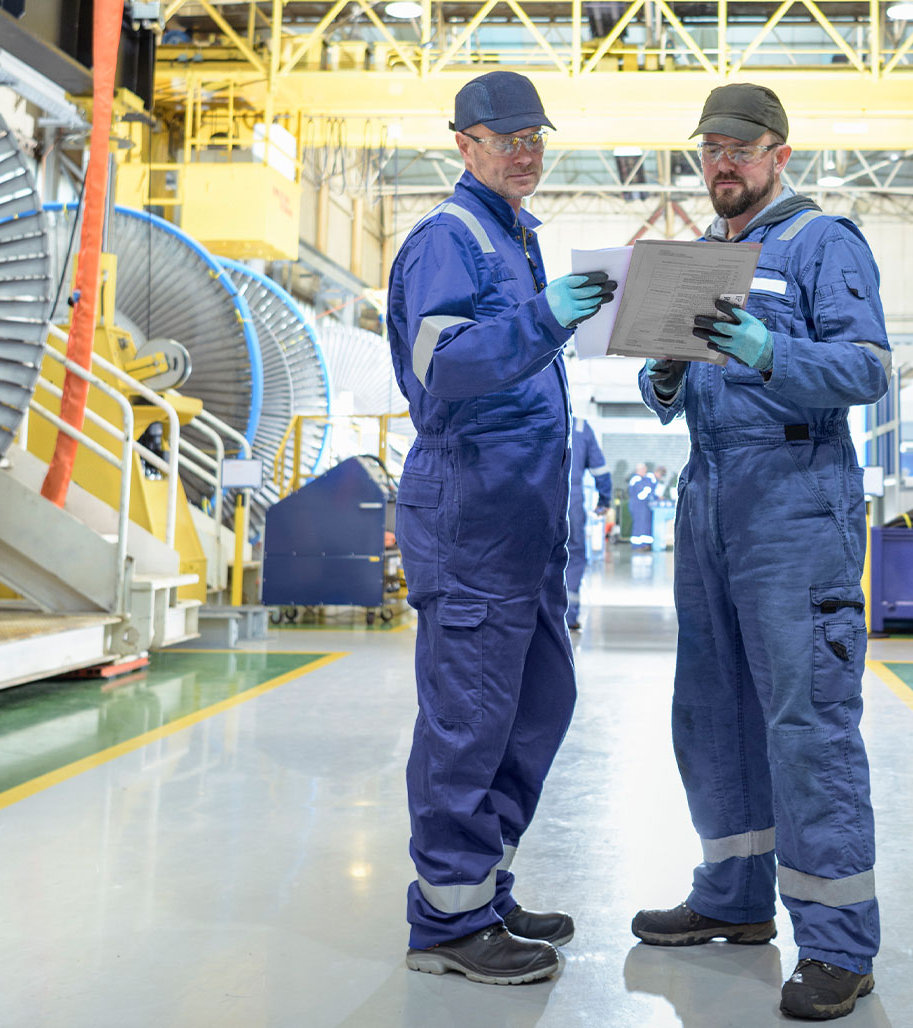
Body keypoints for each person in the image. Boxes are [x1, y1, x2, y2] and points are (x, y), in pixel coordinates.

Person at [629, 82, 891, 1021]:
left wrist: (769, 349)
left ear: (780, 154)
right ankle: (734, 901)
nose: (723, 164)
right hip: (708, 496)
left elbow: (865, 369)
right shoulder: (701, 258)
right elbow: (684, 394)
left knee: (806, 718)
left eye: (741, 148)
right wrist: (665, 374)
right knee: (713, 711)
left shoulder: (824, 243)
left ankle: (837, 945)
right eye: (710, 150)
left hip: (794, 501)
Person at [386, 69, 616, 986]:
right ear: (464, 144)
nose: (525, 150)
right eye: (506, 135)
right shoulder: (451, 238)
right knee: (469, 721)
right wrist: (545, 315)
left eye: (535, 136)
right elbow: (446, 366)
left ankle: (482, 882)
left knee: (535, 708)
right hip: (471, 515)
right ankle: (447, 922)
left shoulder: (514, 241)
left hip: (523, 528)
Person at [566, 391, 611, 631]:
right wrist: (604, 499)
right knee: (572, 556)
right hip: (570, 501)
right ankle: (569, 616)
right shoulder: (581, 428)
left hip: (536, 500)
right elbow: (600, 469)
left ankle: (538, 619)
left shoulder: (531, 420)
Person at [627, 463, 660, 548]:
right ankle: (637, 546)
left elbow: (651, 489)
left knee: (645, 525)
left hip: (644, 507)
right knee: (639, 525)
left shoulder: (644, 479)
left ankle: (645, 544)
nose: (645, 471)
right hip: (637, 507)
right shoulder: (635, 479)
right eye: (644, 469)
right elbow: (645, 490)